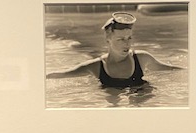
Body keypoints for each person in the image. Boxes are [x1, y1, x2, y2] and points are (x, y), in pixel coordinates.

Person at [46, 11, 183, 88]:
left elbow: (172, 70)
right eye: (121, 39)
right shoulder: (96, 66)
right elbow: (61, 75)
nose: (127, 44)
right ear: (108, 39)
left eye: (129, 38)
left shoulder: (142, 59)